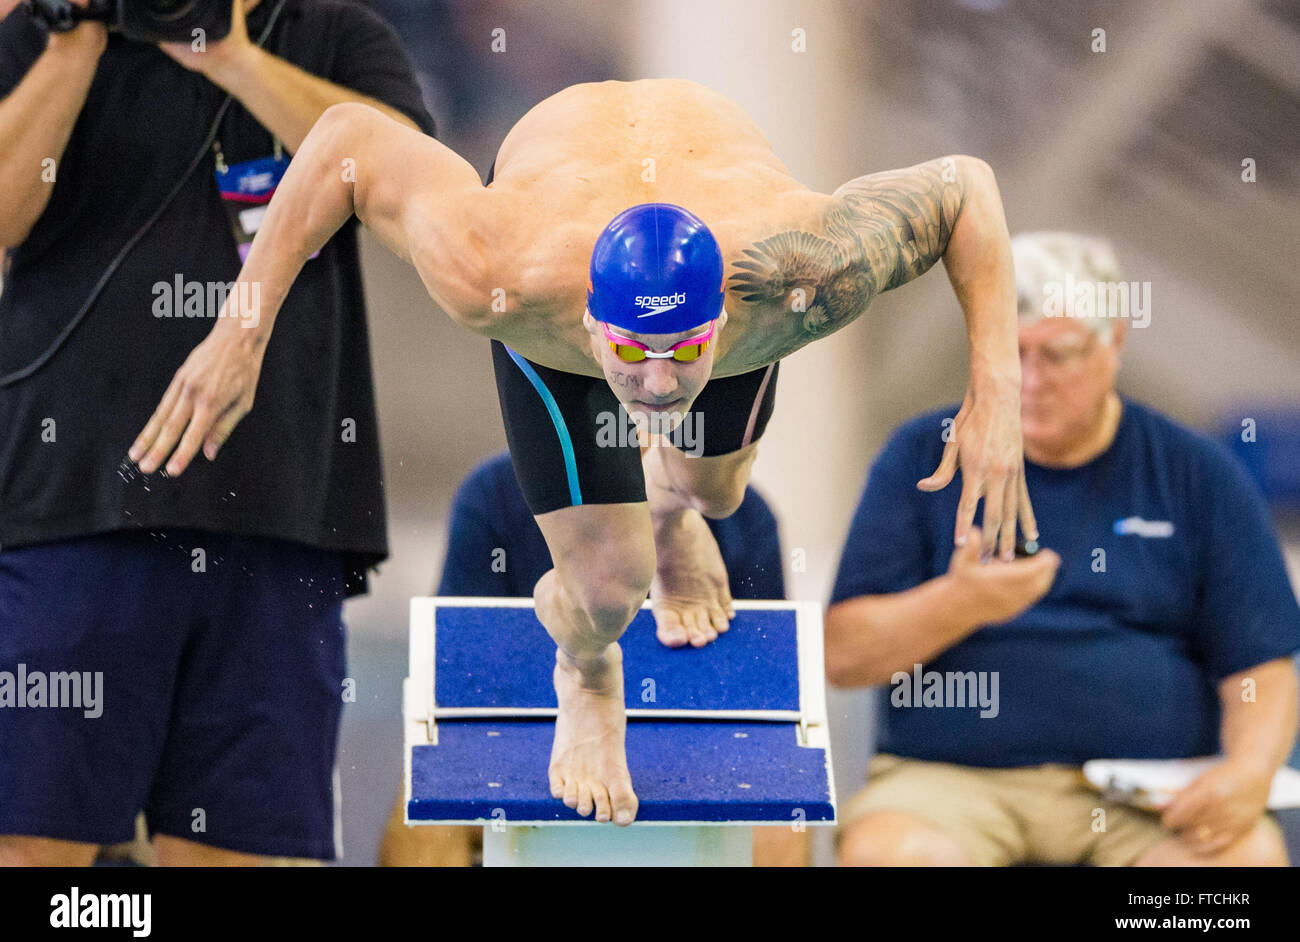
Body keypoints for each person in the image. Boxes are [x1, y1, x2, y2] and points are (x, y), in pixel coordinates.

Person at [129, 78, 1039, 825]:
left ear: (723, 318)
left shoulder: (804, 273)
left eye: (680, 352)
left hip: (723, 207)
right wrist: (239, 331)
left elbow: (965, 187)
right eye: (630, 354)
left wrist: (994, 386)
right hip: (558, 222)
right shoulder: (497, 272)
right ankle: (589, 671)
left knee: (719, 495)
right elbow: (343, 142)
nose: (651, 385)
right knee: (610, 583)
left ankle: (676, 506)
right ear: (597, 325)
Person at [0, 0, 433, 865]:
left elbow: (413, 185)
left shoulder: (334, 36)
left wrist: (230, 54)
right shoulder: (47, 31)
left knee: (244, 849)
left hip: (276, 520)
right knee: (37, 848)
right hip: (71, 511)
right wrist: (75, 40)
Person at [826, 232, 1300, 867]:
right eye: (1010, 353)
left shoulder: (1197, 473)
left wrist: (1247, 774)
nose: (1029, 379)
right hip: (950, 784)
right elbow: (843, 657)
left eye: (1059, 354)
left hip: (1149, 795)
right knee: (896, 855)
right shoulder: (922, 454)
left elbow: (1261, 669)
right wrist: (957, 603)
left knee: (1238, 869)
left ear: (1115, 343)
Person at [378, 450, 807, 865]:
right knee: (428, 809)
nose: (649, 394)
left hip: (695, 747)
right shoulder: (495, 493)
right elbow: (458, 680)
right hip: (521, 734)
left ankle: (657, 519)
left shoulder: (746, 517)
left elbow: (764, 703)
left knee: (781, 818)